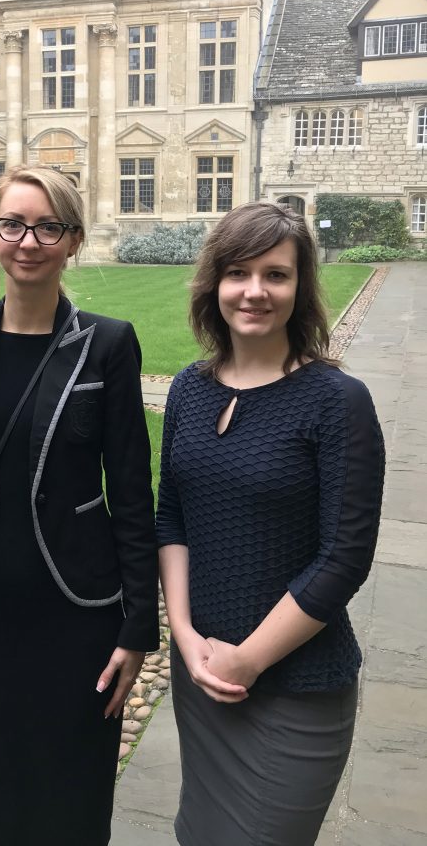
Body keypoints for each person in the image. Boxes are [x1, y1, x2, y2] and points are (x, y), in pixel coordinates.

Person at [0, 165, 158, 846]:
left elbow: (130, 487)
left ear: (72, 240)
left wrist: (138, 626)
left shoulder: (107, 344)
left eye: (47, 226)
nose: (27, 241)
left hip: (78, 614)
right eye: (13, 224)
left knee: (73, 797)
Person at [156, 200, 385, 846]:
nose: (254, 291)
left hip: (295, 688)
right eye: (238, 272)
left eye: (276, 275)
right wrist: (183, 633)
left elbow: (343, 558)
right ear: (214, 285)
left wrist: (247, 661)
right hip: (202, 674)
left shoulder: (337, 403)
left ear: (300, 287)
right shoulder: (188, 391)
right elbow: (170, 516)